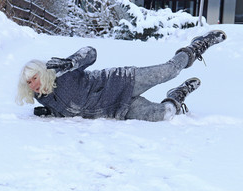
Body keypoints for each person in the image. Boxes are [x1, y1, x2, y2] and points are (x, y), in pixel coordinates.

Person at [16, 30, 226, 122]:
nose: (33, 84)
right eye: (29, 82)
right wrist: (52, 112)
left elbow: (91, 52)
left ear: (42, 72)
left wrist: (72, 61)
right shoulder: (42, 98)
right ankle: (177, 95)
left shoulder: (62, 71)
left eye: (34, 77)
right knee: (164, 114)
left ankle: (195, 47)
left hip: (122, 81)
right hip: (118, 109)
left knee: (169, 70)